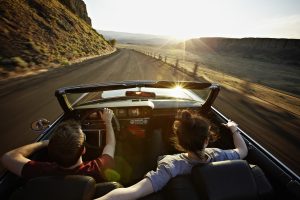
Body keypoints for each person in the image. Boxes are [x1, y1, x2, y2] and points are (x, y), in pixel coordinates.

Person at [95, 110, 248, 200]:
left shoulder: (171, 165)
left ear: (180, 142)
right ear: (207, 140)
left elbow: (134, 192)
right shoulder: (219, 155)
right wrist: (234, 129)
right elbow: (242, 151)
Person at [0, 108, 116, 183]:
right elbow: (110, 144)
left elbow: (8, 157)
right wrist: (108, 122)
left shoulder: (40, 171)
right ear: (83, 150)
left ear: (51, 150)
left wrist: (43, 143)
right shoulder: (98, 168)